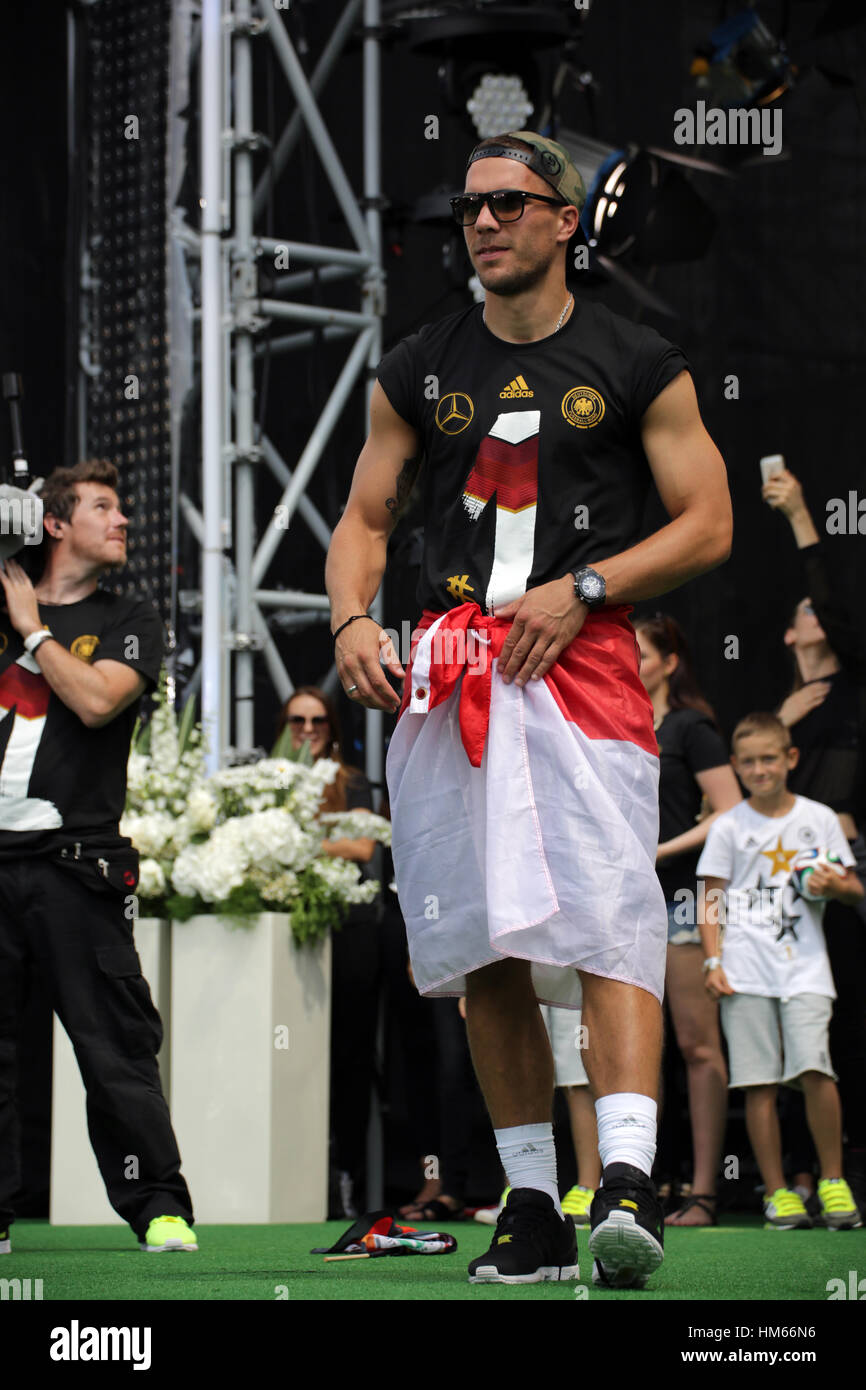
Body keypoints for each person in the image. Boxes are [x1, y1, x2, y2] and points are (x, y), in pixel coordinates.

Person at [326, 129, 732, 1287]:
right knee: (476, 942)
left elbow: (707, 522)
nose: (485, 222)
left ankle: (631, 1181)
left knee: (609, 917)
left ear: (563, 221)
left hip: (585, 657)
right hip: (452, 666)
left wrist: (589, 584)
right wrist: (354, 620)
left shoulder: (636, 356)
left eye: (510, 202)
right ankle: (529, 1201)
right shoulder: (417, 363)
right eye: (469, 207)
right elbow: (360, 521)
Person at [0, 459, 196, 1255]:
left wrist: (34, 630)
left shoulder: (131, 617)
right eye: (102, 508)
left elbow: (96, 699)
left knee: (112, 1044)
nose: (122, 521)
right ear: (54, 524)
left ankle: (158, 1207)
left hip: (77, 865)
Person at [697, 712, 862, 1229]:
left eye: (769, 758)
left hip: (807, 967)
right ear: (735, 767)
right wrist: (713, 959)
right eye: (748, 762)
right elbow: (710, 899)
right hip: (743, 969)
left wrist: (834, 886)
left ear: (790, 759)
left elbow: (854, 888)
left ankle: (833, 1182)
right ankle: (778, 1194)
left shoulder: (821, 817)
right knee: (758, 1082)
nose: (760, 769)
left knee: (816, 1069)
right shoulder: (727, 826)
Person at [763, 466, 866, 1214]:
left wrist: (800, 514)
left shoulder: (856, 687)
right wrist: (784, 723)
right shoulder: (780, 715)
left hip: (849, 883)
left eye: (818, 608)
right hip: (783, 894)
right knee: (793, 1032)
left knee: (850, 1021)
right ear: (789, 634)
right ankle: (796, 1175)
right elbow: (740, 788)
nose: (816, 614)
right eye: (804, 610)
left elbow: (830, 599)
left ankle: (845, 1173)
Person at [634, 614, 741, 1226]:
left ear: (671, 662)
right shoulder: (612, 721)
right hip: (625, 902)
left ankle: (704, 1191)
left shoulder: (690, 728)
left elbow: (731, 811)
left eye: (644, 655)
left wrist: (663, 849)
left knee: (697, 1045)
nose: (633, 664)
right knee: (635, 1048)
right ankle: (641, 1185)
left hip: (679, 900)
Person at [275, 686, 377, 1218]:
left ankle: (346, 1180)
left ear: (332, 727)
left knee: (349, 1060)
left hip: (349, 929)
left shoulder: (351, 781)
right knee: (290, 1055)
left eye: (317, 720)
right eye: (297, 720)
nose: (307, 729)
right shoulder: (271, 780)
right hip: (285, 933)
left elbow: (363, 848)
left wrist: (293, 843)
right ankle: (288, 1174)